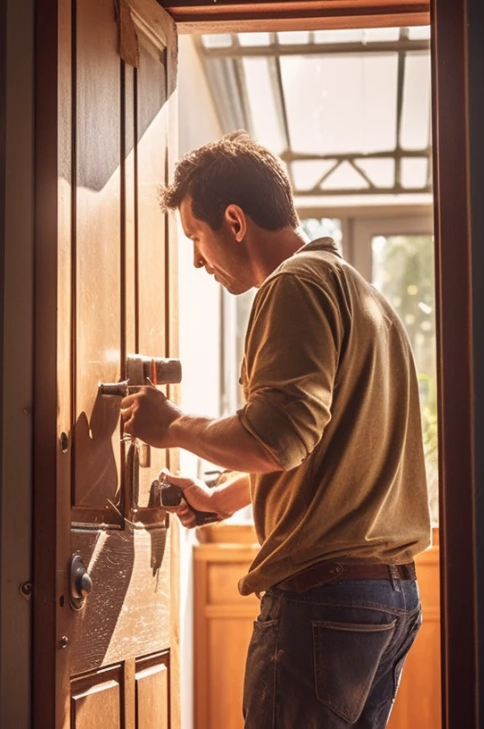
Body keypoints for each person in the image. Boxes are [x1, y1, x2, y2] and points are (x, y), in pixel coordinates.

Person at [121, 131, 431, 728]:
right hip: (388, 600)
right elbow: (314, 449)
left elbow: (277, 437)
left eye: (195, 237)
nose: (195, 259)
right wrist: (219, 496)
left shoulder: (293, 285)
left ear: (234, 221)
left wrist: (172, 425)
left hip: (324, 599)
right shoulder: (364, 299)